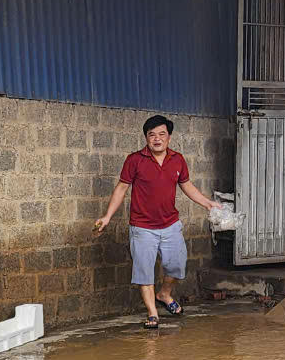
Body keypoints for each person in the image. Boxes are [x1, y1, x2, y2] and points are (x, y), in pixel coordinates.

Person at [95, 115, 221, 329]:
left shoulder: (178, 160)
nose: (157, 139)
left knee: (176, 266)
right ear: (146, 138)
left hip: (170, 224)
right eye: (152, 135)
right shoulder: (135, 160)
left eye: (161, 134)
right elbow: (121, 188)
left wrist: (207, 203)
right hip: (142, 227)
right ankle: (153, 313)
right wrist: (107, 216)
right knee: (144, 270)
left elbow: (187, 185)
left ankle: (164, 294)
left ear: (169, 137)